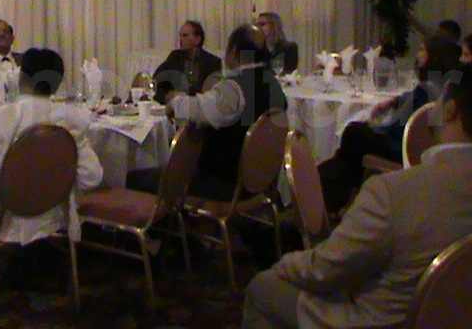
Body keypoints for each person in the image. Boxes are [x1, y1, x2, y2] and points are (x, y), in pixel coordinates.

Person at [243, 63, 472, 329]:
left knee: (261, 287)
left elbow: (325, 270)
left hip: (381, 320)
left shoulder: (391, 193)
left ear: (450, 109)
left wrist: (284, 263)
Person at [0, 48, 102, 261]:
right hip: (54, 215)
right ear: (57, 83)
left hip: (2, 220)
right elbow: (92, 177)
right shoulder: (72, 119)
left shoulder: (0, 120)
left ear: (21, 78)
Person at [318, 35, 461, 213]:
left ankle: (335, 193)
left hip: (402, 147)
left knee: (353, 133)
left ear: (434, 56)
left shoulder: (427, 90)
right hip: (416, 148)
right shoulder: (447, 84)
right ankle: (339, 187)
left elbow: (401, 127)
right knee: (350, 147)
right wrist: (394, 101)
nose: (418, 54)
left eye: (422, 50)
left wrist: (377, 127)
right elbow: (410, 98)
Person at [165, 23, 287, 201]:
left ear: (234, 51)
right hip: (262, 181)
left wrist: (175, 102)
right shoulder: (273, 83)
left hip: (224, 183)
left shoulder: (234, 88)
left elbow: (199, 110)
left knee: (134, 178)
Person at [152, 20, 221, 104]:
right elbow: (156, 80)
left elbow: (213, 94)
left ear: (197, 39)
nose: (180, 39)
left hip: (199, 107)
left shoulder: (213, 62)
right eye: (180, 36)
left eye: (185, 35)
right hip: (175, 106)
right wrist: (167, 96)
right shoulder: (175, 57)